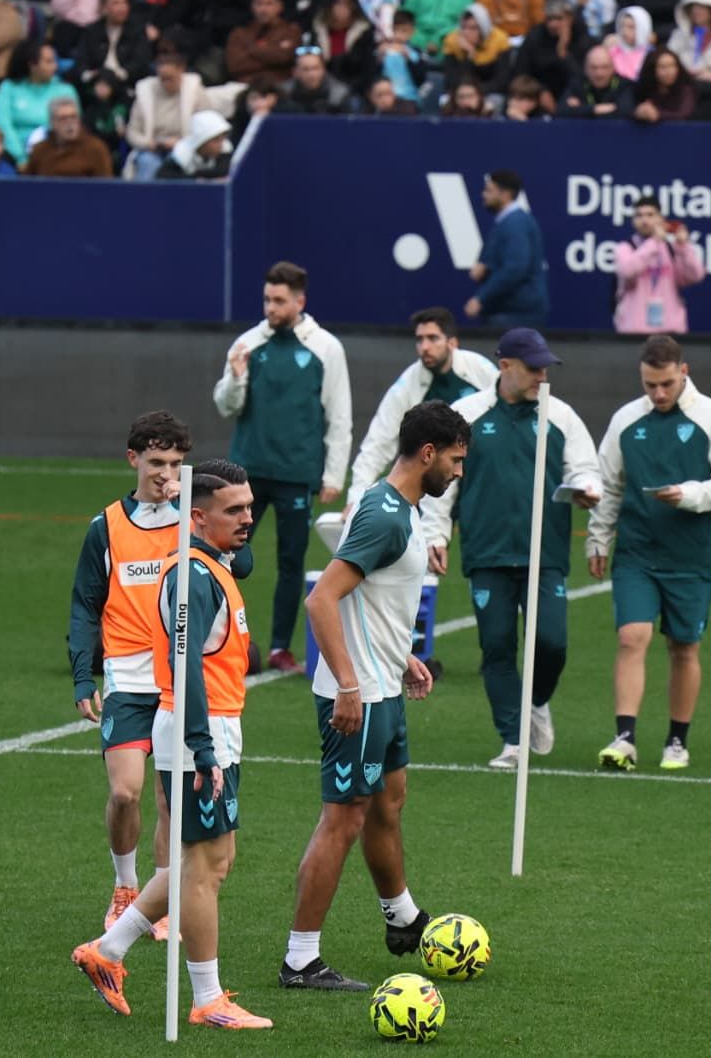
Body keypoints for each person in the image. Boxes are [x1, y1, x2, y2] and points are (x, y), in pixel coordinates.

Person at [71, 459, 273, 1031]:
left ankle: (105, 952)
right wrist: (202, 747)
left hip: (213, 728)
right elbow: (184, 669)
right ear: (200, 517)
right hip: (195, 733)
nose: (248, 518)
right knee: (204, 870)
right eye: (234, 510)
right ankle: (208, 999)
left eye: (250, 506)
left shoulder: (213, 566)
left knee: (210, 861)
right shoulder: (192, 578)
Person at [281, 401, 468, 991]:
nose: (458, 473)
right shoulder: (386, 516)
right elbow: (321, 599)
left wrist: (400, 654)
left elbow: (372, 598)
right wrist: (348, 683)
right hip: (357, 696)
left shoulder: (396, 506)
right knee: (344, 818)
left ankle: (403, 920)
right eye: (456, 461)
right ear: (429, 453)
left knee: (389, 798)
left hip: (382, 683)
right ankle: (300, 961)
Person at [420, 329, 600, 769]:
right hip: (487, 552)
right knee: (497, 647)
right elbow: (442, 484)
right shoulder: (467, 416)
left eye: (545, 367)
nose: (542, 375)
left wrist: (586, 490)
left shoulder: (561, 417)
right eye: (533, 367)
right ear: (505, 367)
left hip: (546, 553)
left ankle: (536, 701)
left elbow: (586, 470)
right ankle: (512, 740)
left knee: (552, 643)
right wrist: (435, 535)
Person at [587, 336, 711, 772]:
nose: (658, 394)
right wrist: (598, 538)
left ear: (684, 373)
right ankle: (625, 738)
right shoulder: (625, 421)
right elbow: (609, 485)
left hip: (690, 556)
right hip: (637, 551)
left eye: (667, 384)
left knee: (683, 647)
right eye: (650, 385)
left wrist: (689, 494)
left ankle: (677, 740)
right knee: (630, 637)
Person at [68, 412, 193, 946]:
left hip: (181, 681)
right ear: (133, 459)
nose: (167, 473)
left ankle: (155, 902)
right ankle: (125, 887)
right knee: (125, 792)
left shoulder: (194, 518)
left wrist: (190, 505)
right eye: (158, 462)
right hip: (126, 677)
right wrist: (81, 676)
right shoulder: (108, 527)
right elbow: (84, 604)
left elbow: (246, 561)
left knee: (169, 802)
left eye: (176, 464)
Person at [213, 261, 352, 673]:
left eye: (279, 300)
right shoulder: (247, 344)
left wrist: (333, 475)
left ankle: (278, 648)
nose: (270, 308)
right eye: (267, 299)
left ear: (299, 301)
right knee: (224, 558)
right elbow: (225, 406)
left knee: (291, 563)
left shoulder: (326, 348)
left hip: (296, 473)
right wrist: (237, 378)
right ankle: (217, 637)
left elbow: (339, 414)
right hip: (244, 476)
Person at [347, 307, 498, 509]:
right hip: (434, 482)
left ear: (452, 342)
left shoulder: (480, 369)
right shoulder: (408, 383)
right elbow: (378, 442)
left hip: (481, 474)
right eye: (420, 339)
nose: (424, 347)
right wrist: (355, 500)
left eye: (433, 338)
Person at [466, 169, 549, 329]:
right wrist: (485, 267)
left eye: (489, 190)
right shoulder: (507, 223)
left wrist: (481, 298)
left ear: (506, 194)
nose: (484, 194)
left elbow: (515, 268)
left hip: (516, 314)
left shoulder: (515, 224)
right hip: (508, 310)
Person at [614, 194, 705, 336]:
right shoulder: (625, 248)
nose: (644, 220)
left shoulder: (671, 249)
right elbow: (627, 271)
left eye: (650, 215)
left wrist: (683, 247)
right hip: (633, 330)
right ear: (633, 221)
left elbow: (696, 276)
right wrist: (654, 242)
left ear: (661, 219)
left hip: (669, 330)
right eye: (639, 215)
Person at [0, 41, 80, 168]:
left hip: (56, 151)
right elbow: (3, 125)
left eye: (54, 61)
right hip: (14, 154)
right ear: (32, 65)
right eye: (49, 62)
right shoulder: (9, 87)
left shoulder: (66, 90)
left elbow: (73, 126)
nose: (55, 66)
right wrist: (20, 158)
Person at [126, 52, 205, 179]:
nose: (165, 83)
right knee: (147, 162)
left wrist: (181, 143)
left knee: (177, 161)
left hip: (185, 148)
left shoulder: (195, 91)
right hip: (151, 149)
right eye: (162, 78)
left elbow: (206, 128)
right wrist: (148, 143)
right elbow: (132, 132)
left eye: (170, 78)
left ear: (181, 71)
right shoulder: (144, 93)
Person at [74, 0, 154, 94]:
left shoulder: (137, 30)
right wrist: (90, 76)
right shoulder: (92, 31)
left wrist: (118, 75)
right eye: (116, 3)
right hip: (96, 83)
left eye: (125, 2)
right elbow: (81, 62)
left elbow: (140, 62)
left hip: (126, 84)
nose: (122, 8)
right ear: (104, 7)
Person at [514, 0, 591, 102]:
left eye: (559, 18)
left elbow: (583, 78)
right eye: (549, 19)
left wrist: (563, 51)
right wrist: (540, 91)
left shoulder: (582, 38)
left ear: (570, 18)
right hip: (538, 94)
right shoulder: (535, 37)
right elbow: (521, 73)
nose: (553, 24)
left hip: (574, 94)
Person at [22, 94, 114, 175]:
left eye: (73, 117)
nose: (69, 123)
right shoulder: (40, 150)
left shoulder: (96, 148)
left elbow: (105, 189)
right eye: (63, 118)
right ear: (52, 122)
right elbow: (27, 185)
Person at [226, 0, 300, 84]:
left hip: (280, 84)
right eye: (259, 3)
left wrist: (252, 49)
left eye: (269, 4)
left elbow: (285, 57)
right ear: (252, 6)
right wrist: (272, 57)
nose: (263, 9)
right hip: (245, 85)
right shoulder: (240, 33)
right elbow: (235, 66)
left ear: (280, 6)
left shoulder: (291, 31)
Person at [442, 3, 513, 95]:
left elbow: (501, 82)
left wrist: (475, 93)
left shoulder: (500, 40)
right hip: (461, 94)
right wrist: (469, 55)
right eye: (463, 27)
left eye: (473, 28)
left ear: (483, 28)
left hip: (489, 92)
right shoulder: (452, 41)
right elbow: (451, 83)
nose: (466, 33)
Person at [155, 107, 233, 179]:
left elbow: (223, 171)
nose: (221, 145)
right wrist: (195, 179)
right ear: (202, 141)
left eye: (222, 139)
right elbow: (163, 177)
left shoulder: (225, 148)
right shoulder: (182, 154)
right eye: (216, 140)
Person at [631, 46, 699, 122]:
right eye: (663, 67)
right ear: (652, 70)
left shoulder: (686, 89)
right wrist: (638, 113)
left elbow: (684, 115)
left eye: (672, 66)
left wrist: (658, 114)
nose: (669, 72)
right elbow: (629, 110)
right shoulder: (644, 88)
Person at [563, 43, 633, 115]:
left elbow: (626, 111)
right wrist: (594, 109)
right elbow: (562, 111)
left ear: (613, 68)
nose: (599, 73)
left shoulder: (625, 85)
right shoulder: (576, 84)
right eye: (594, 68)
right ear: (585, 69)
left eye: (604, 67)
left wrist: (580, 108)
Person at [278, 49, 353, 113]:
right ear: (295, 72)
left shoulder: (340, 95)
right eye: (306, 69)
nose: (311, 75)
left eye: (315, 68)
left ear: (324, 69)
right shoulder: (283, 93)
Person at [401, 0, 473, 54]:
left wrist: (438, 39)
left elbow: (465, 25)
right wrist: (420, 40)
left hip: (446, 41)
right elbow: (404, 17)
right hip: (414, 41)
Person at [604, 3, 652, 80]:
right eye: (622, 26)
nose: (624, 31)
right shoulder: (612, 52)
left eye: (631, 27)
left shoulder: (650, 54)